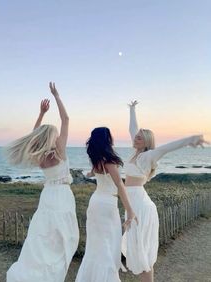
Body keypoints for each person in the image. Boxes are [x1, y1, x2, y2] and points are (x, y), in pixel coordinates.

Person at [122, 100, 208, 282]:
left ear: (146, 142)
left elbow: (168, 147)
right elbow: (133, 129)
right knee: (138, 251)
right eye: (136, 136)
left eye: (139, 137)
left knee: (143, 253)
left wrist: (191, 139)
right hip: (132, 202)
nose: (135, 138)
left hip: (140, 205)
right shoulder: (134, 154)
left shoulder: (148, 156)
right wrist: (132, 109)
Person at [6, 82, 79, 282]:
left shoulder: (40, 155)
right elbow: (66, 119)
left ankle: (35, 272)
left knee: (42, 237)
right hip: (63, 195)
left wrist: (41, 114)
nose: (58, 135)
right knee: (63, 238)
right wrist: (57, 96)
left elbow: (33, 136)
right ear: (52, 137)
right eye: (55, 134)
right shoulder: (59, 151)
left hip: (48, 195)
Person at [76, 127, 138, 282]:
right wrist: (130, 210)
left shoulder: (96, 159)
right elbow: (120, 185)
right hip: (107, 205)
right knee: (109, 245)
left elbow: (93, 174)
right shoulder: (109, 161)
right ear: (107, 139)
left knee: (96, 245)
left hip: (96, 202)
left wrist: (89, 173)